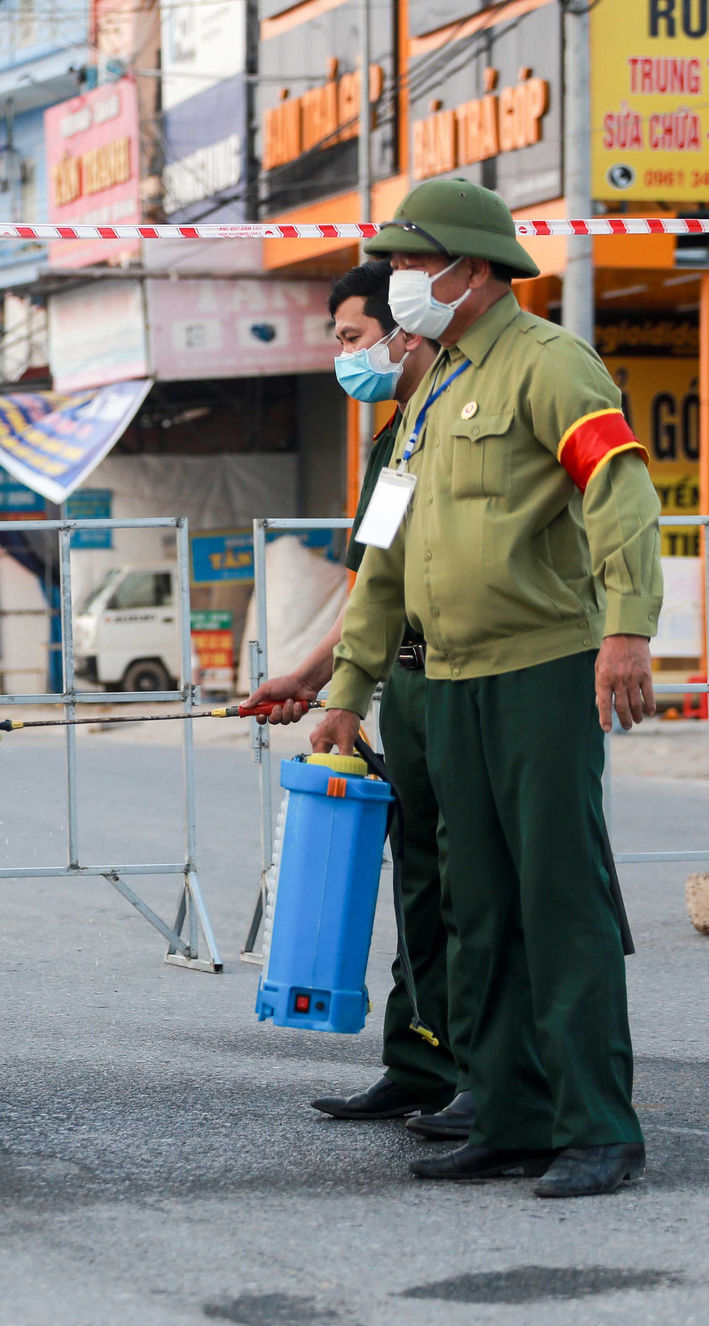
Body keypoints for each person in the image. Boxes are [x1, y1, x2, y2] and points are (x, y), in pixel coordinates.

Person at [309, 179, 661, 1198]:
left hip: (538, 672)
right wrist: (347, 685)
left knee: (559, 901)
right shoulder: (429, 388)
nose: (398, 280)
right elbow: (384, 555)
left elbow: (619, 488)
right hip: (447, 678)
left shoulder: (549, 362)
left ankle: (598, 1128)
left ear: (471, 269)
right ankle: (509, 1117)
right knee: (479, 910)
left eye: (412, 264)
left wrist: (627, 627)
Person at [245, 260, 475, 1140]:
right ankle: (418, 1063)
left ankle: (485, 1075)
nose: (344, 356)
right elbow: (371, 585)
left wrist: (326, 679)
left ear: (404, 329)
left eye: (352, 337)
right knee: (418, 882)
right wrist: (318, 678)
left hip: (470, 678)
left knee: (468, 885)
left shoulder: (458, 416)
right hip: (407, 680)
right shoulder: (394, 439)